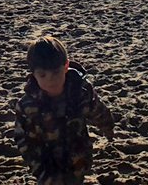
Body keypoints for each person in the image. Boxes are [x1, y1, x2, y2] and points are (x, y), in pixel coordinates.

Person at [13, 35, 114, 185]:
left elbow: (97, 109)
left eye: (56, 73)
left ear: (66, 67)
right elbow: (24, 140)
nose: (50, 80)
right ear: (33, 74)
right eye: (43, 75)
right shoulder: (27, 106)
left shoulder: (80, 92)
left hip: (78, 159)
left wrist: (107, 126)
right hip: (47, 166)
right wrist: (40, 170)